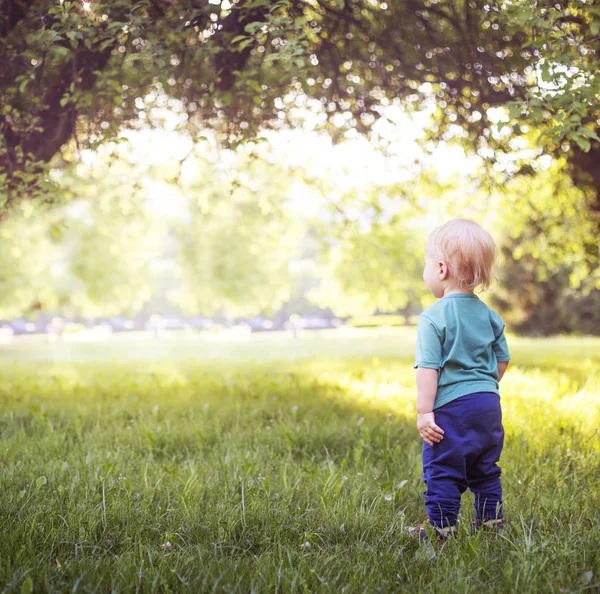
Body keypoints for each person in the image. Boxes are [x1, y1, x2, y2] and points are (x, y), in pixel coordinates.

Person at [408, 219, 510, 544]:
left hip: (452, 409)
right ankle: (490, 526)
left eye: (426, 263)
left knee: (444, 468)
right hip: (488, 404)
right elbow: (502, 360)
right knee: (485, 467)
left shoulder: (433, 316)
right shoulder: (490, 316)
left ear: (440, 269)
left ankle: (442, 532)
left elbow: (428, 368)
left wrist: (425, 412)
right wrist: (484, 387)